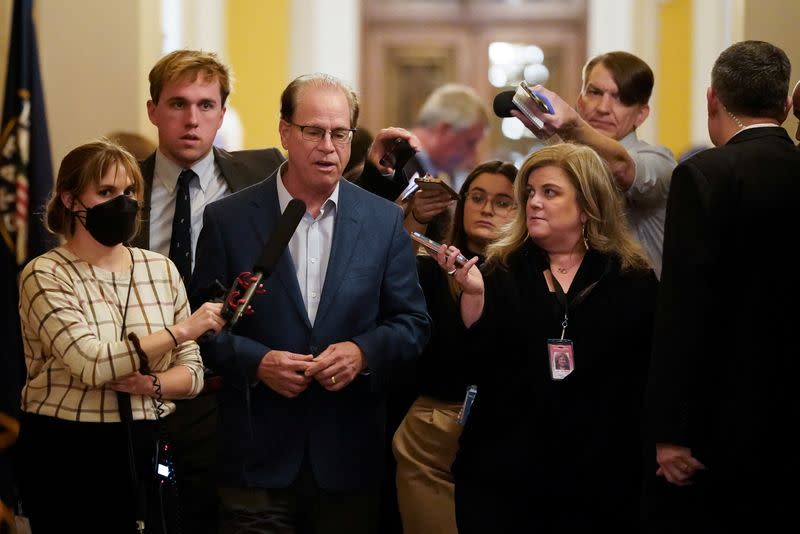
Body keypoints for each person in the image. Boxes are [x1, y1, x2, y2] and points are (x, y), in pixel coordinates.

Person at [189, 73, 430, 533]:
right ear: (284, 132)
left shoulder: (381, 221)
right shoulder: (229, 218)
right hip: (255, 457)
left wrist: (362, 353)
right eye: (313, 131)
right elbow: (205, 327)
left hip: (347, 457)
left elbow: (413, 324)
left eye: (340, 134)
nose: (328, 146)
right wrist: (259, 363)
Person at [441, 143, 657, 533]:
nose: (533, 203)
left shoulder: (631, 279)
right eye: (530, 193)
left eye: (550, 192)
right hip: (504, 480)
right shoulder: (498, 271)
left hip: (597, 483)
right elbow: (467, 366)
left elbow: (643, 381)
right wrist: (473, 298)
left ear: (588, 205)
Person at [16, 139, 225, 534]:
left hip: (148, 441)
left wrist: (152, 383)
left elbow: (193, 374)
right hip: (68, 448)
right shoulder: (45, 273)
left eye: (130, 191)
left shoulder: (160, 269)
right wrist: (182, 330)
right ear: (72, 200)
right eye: (107, 192)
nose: (123, 202)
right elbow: (92, 363)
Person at [644, 40, 800, 533]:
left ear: (712, 99)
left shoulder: (706, 174)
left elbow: (683, 308)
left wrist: (670, 431)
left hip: (724, 419)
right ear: (787, 104)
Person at [133, 49, 285, 533]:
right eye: (177, 104)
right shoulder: (121, 184)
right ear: (153, 109)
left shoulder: (264, 176)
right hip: (139, 384)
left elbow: (332, 201)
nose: (191, 119)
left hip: (232, 391)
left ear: (223, 112)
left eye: (205, 105)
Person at [392, 160, 518, 534]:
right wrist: (412, 218)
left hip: (499, 436)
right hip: (432, 431)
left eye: (502, 201)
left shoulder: (527, 275)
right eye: (477, 197)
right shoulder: (431, 266)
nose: (486, 208)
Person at [516, 51, 675, 277]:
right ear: (580, 101)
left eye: (621, 98)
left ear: (641, 114)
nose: (603, 107)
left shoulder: (659, 161)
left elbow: (620, 167)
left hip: (637, 304)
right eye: (595, 92)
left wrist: (572, 126)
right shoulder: (559, 156)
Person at [356, 84, 489, 242]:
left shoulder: (425, 169)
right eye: (470, 142)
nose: (473, 154)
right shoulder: (394, 167)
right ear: (445, 130)